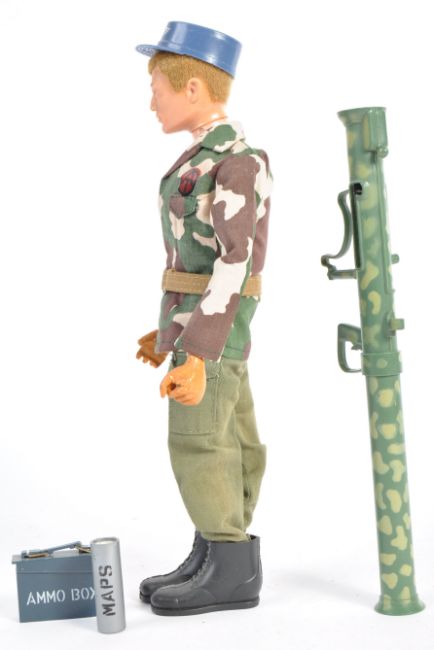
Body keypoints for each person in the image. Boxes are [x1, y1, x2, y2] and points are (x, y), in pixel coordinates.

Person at [135, 21, 272, 616]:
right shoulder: (203, 157)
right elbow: (187, 263)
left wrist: (198, 350)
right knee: (228, 437)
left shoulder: (237, 162)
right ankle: (217, 553)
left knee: (200, 443)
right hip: (198, 326)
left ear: (192, 88)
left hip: (212, 332)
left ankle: (229, 566)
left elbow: (234, 263)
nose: (152, 102)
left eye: (158, 89)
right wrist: (167, 334)